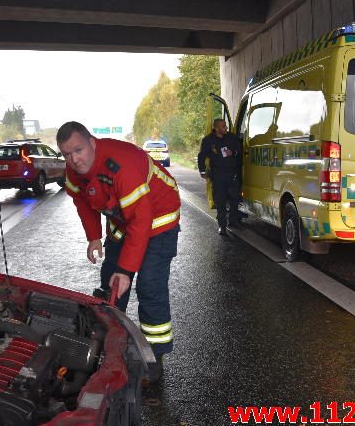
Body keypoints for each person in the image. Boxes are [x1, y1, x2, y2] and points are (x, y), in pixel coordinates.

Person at [57, 121, 180, 382]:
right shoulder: (74, 169)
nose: (74, 159)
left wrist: (126, 270)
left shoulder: (122, 164)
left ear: (92, 142)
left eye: (78, 150)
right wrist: (94, 237)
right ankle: (110, 345)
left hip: (158, 217)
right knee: (110, 284)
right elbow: (82, 201)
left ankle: (154, 358)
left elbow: (141, 219)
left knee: (149, 286)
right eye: (66, 154)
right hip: (122, 219)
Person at [198, 118, 245, 235]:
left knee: (235, 198)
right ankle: (222, 226)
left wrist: (232, 153)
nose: (226, 128)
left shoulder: (232, 138)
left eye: (225, 126)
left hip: (232, 173)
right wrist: (202, 171)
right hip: (218, 174)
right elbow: (201, 156)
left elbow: (240, 151)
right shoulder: (208, 140)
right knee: (220, 200)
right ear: (217, 128)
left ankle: (233, 221)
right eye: (223, 126)